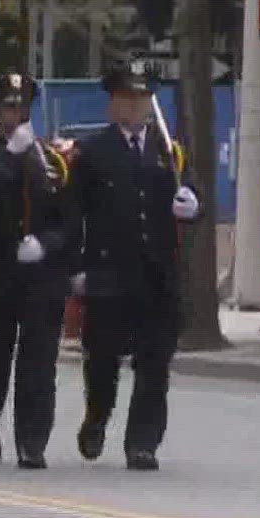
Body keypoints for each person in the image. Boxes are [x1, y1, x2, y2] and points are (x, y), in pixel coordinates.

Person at [71, 59, 201, 471]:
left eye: (143, 97)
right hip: (110, 271)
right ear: (113, 105)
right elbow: (74, 212)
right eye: (128, 98)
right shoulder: (92, 152)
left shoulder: (168, 150)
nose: (137, 106)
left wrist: (192, 206)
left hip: (156, 273)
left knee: (154, 362)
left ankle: (142, 442)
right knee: (103, 360)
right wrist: (76, 266)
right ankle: (97, 418)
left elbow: (188, 197)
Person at [0, 73, 78, 469]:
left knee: (39, 363)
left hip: (41, 279)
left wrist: (47, 244)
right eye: (8, 108)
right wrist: (12, 154)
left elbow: (69, 220)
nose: (16, 115)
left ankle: (32, 441)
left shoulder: (52, 160)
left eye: (22, 108)